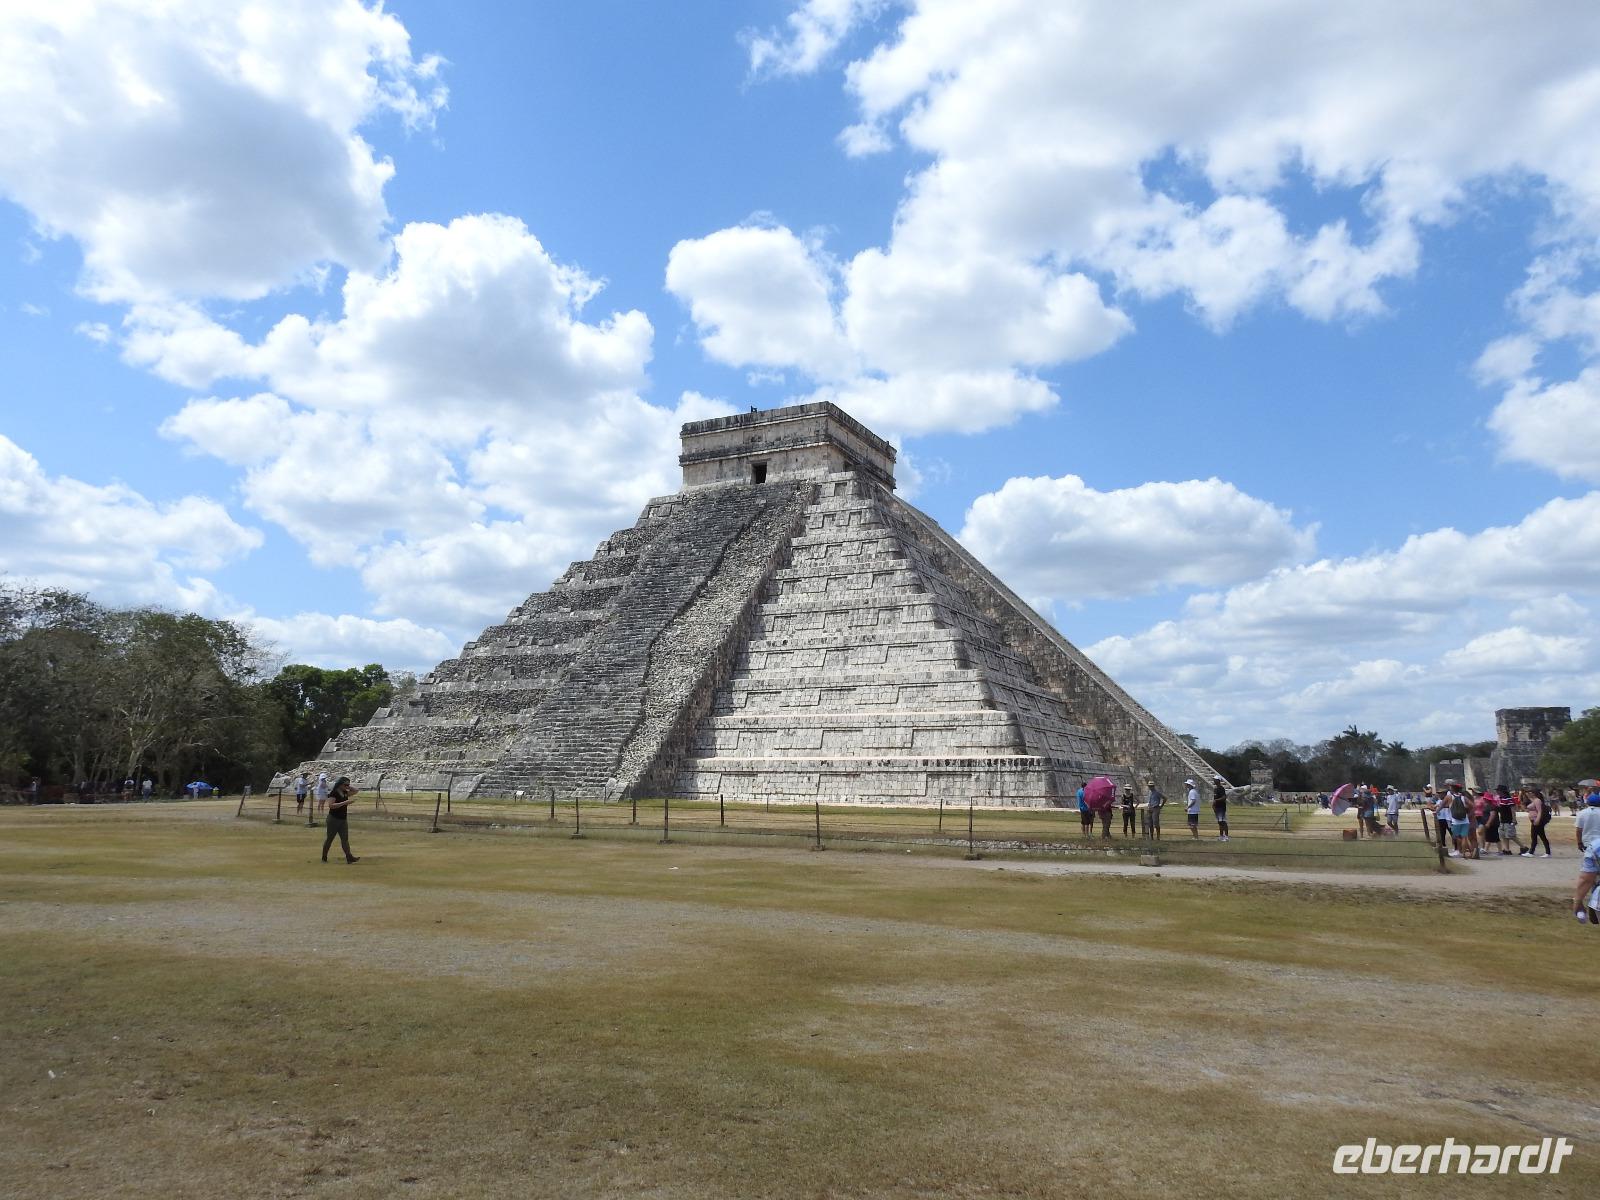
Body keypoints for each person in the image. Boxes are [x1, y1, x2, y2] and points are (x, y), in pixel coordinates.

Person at [1571, 791, 1600, 923]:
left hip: (1591, 847)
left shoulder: (1582, 813)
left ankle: (1594, 899)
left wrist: (1579, 842)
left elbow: (1578, 830)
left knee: (1591, 875)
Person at [321, 776, 361, 864]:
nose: (347, 786)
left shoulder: (345, 792)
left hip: (343, 819)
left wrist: (348, 786)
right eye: (345, 784)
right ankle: (324, 857)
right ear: (340, 784)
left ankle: (349, 857)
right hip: (333, 819)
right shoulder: (334, 793)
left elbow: (356, 791)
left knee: (345, 839)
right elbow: (331, 805)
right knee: (330, 839)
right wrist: (345, 803)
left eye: (348, 785)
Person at [1528, 789, 1553, 858]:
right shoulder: (1534, 800)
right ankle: (1532, 851)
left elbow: (1539, 811)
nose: (1529, 794)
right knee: (1535, 836)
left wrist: (1537, 819)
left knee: (1540, 836)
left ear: (1534, 793)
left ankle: (1546, 852)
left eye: (1530, 793)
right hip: (1533, 820)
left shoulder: (1537, 800)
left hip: (1537, 820)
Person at [1211, 775, 1230, 841]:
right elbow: (1214, 799)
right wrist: (1213, 806)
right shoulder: (1215, 789)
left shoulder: (1221, 788)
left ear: (1218, 781)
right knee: (1219, 822)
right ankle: (1221, 836)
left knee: (1223, 821)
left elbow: (1224, 797)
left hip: (1221, 808)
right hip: (1217, 807)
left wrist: (1216, 800)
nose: (1214, 780)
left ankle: (1226, 836)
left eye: (1215, 779)